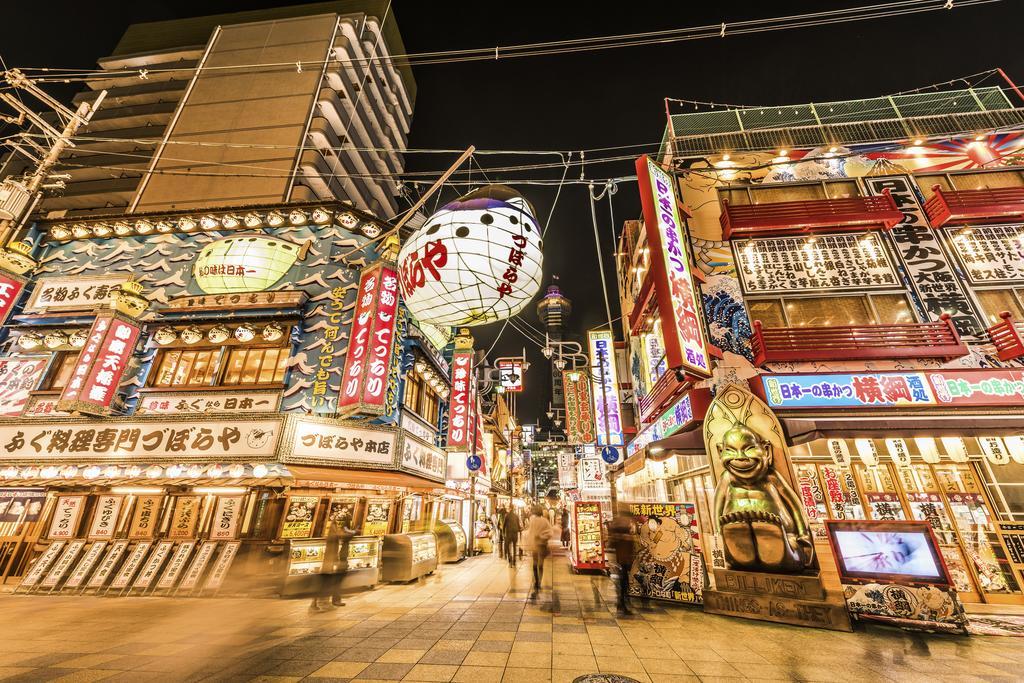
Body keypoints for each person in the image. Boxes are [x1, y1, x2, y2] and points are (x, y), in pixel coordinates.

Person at [310, 519, 351, 611]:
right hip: (329, 564)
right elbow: (334, 548)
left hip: (329, 563)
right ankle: (321, 603)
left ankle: (315, 604)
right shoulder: (333, 535)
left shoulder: (333, 534)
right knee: (325, 584)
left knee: (324, 584)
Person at [608, 504, 638, 615]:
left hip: (620, 556)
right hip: (624, 556)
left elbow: (612, 540)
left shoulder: (617, 522)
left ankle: (621, 603)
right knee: (623, 580)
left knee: (622, 580)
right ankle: (622, 603)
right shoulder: (624, 523)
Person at [524, 505, 553, 600]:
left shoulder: (532, 521)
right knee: (540, 565)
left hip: (535, 546)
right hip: (541, 545)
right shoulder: (545, 521)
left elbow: (530, 533)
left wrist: (528, 542)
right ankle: (538, 582)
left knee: (535, 564)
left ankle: (536, 582)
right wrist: (542, 537)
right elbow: (550, 533)